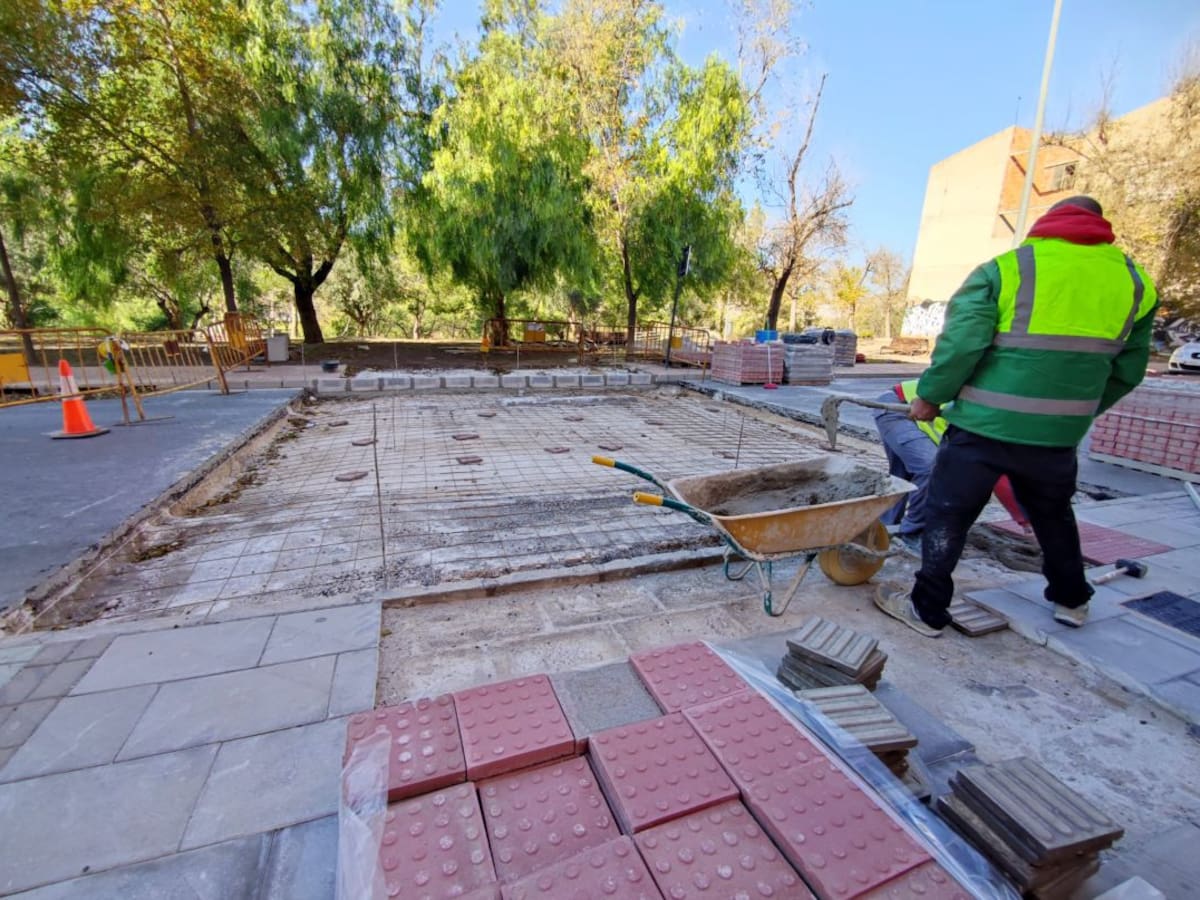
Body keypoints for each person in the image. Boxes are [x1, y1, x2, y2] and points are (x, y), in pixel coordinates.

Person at [874, 196, 1157, 637]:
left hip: (981, 428)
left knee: (949, 515)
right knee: (1054, 516)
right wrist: (1073, 414)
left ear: (1047, 223)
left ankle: (927, 610)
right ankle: (1072, 601)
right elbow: (1128, 371)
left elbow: (962, 345)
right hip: (1055, 439)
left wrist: (930, 396)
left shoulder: (1008, 269)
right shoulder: (1135, 284)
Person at [873, 378, 1028, 557]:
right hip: (900, 406)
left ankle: (882, 529)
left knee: (904, 476)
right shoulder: (999, 416)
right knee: (930, 468)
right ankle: (913, 533)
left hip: (912, 409)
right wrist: (1025, 519)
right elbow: (999, 476)